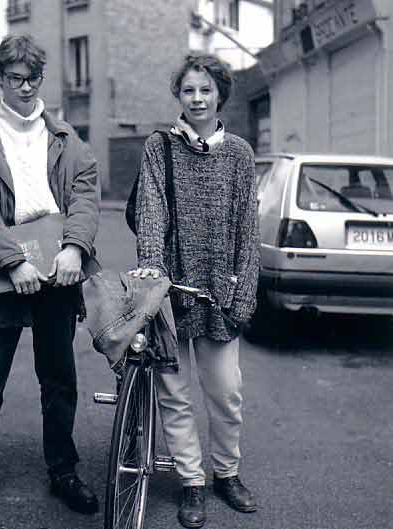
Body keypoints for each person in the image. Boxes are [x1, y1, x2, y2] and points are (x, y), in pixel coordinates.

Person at [0, 34, 100, 529]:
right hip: (1, 269)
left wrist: (76, 246)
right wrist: (14, 263)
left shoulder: (65, 137)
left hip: (58, 266)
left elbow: (84, 193)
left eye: (34, 77)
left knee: (59, 379)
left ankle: (63, 471)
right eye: (15, 78)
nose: (26, 87)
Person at [130, 53, 260, 528]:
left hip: (219, 291)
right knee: (174, 393)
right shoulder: (160, 146)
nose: (198, 98)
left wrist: (243, 292)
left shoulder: (240, 154)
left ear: (219, 94)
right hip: (169, 287)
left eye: (206, 90)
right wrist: (151, 273)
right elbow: (151, 211)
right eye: (189, 90)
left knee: (226, 392)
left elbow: (248, 229)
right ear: (179, 96)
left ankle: (226, 472)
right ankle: (191, 481)